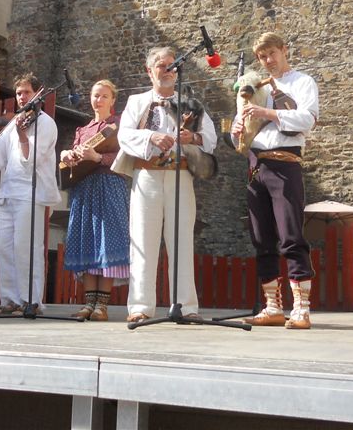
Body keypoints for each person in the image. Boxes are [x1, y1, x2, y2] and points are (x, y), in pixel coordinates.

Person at [114, 47, 216, 323]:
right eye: (161, 65)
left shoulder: (191, 104)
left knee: (181, 240)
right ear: (150, 71)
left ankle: (186, 306)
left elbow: (211, 138)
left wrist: (193, 138)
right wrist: (151, 138)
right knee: (142, 240)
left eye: (172, 65)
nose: (168, 70)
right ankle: (140, 306)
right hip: (146, 174)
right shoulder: (137, 101)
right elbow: (124, 136)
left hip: (180, 175)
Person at [230, 32, 319, 329]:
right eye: (262, 56)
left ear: (284, 50)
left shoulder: (302, 82)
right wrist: (237, 128)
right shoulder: (254, 87)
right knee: (262, 238)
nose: (268, 60)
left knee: (291, 235)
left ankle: (301, 309)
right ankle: (273, 307)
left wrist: (267, 112)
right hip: (256, 165)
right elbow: (238, 129)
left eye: (272, 53)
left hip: (285, 164)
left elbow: (308, 119)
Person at [0, 74, 60, 314]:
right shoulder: (15, 122)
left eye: (26, 92)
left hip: (30, 193)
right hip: (8, 192)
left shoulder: (45, 123)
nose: (22, 97)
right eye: (18, 93)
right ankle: (10, 299)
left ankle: (30, 300)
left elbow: (32, 159)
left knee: (26, 248)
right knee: (4, 248)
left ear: (37, 94)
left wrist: (23, 136)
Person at [60, 80, 131, 321]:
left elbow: (125, 157)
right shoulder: (83, 130)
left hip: (109, 185)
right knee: (88, 241)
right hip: (85, 188)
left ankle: (102, 305)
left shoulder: (119, 125)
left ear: (113, 100)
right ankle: (89, 303)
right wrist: (68, 155)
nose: (98, 100)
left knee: (107, 242)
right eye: (95, 95)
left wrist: (98, 157)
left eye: (104, 96)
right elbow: (75, 159)